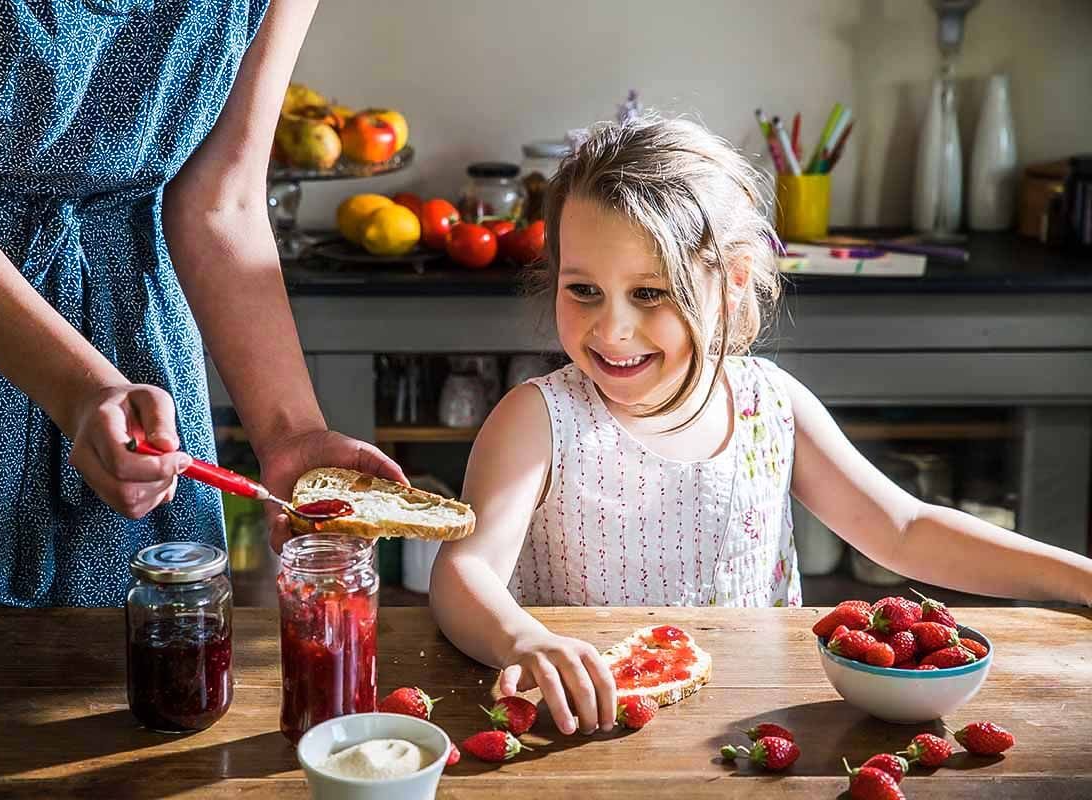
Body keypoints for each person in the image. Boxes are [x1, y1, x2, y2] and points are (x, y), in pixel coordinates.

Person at [429, 115, 1092, 736]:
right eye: (583, 290)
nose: (612, 328)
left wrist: (1079, 578)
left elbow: (905, 530)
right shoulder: (537, 420)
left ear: (734, 281)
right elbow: (464, 575)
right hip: (591, 730)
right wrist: (524, 639)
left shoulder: (771, 404)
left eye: (651, 293)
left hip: (750, 733)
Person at [0, 0, 402, 608]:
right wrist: (81, 390)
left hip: (138, 339)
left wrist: (291, 432)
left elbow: (222, 205)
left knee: (151, 654)